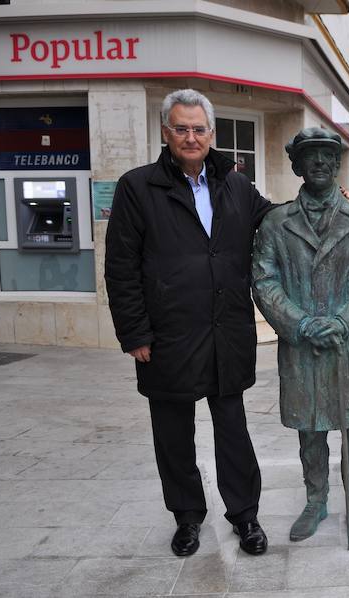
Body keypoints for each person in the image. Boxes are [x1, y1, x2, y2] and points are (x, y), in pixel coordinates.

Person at [105, 89, 270, 557]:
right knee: (173, 437)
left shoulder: (236, 185)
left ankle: (245, 515)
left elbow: (277, 221)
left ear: (211, 133)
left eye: (199, 128)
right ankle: (187, 517)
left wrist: (327, 205)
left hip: (226, 332)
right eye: (181, 128)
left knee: (233, 433)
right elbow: (120, 266)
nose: (191, 137)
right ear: (165, 132)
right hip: (167, 337)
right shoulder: (137, 187)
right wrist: (134, 333)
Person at [251, 128, 349, 545]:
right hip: (301, 347)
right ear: (296, 165)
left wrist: (346, 320)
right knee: (310, 431)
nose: (320, 164)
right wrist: (301, 324)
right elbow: (264, 280)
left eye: (328, 157)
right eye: (310, 157)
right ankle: (316, 500)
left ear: (337, 164)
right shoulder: (276, 222)